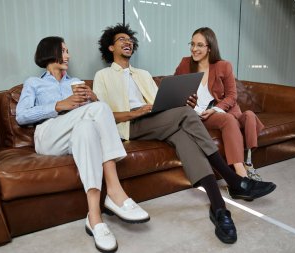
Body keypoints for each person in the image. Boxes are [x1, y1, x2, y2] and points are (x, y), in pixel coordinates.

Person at [93, 24, 276, 244]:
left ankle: (219, 208)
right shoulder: (102, 75)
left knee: (184, 134)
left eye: (130, 39)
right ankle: (233, 181)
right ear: (110, 47)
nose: (128, 42)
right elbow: (102, 115)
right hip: (130, 125)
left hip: (156, 120)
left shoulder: (142, 74)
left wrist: (182, 102)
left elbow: (162, 103)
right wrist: (137, 111)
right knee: (187, 115)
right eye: (121, 39)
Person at [16, 36, 149, 253]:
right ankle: (115, 192)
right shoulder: (34, 83)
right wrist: (59, 105)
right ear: (51, 53)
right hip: (49, 135)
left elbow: (94, 118)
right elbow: (21, 116)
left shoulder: (74, 82)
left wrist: (93, 99)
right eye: (64, 51)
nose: (68, 56)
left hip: (76, 132)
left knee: (87, 127)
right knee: (99, 110)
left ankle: (94, 218)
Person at [174, 27, 264, 181]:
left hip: (224, 111)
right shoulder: (185, 64)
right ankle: (241, 175)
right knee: (229, 120)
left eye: (200, 45)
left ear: (210, 47)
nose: (194, 49)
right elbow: (174, 87)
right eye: (192, 44)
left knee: (248, 115)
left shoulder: (223, 66)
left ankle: (246, 165)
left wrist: (216, 109)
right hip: (201, 115)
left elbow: (232, 95)